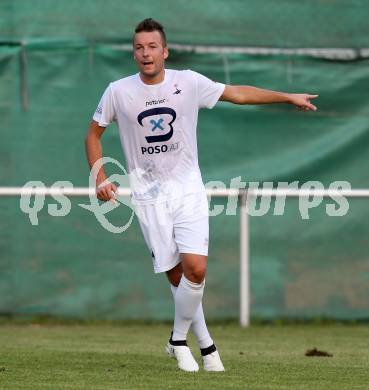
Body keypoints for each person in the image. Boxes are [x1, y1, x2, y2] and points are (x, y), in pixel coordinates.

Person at [85, 18, 318, 372]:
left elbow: (236, 93)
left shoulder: (188, 82)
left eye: (152, 47)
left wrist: (286, 97)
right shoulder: (118, 91)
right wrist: (100, 177)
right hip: (149, 196)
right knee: (178, 278)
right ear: (133, 53)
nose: (145, 53)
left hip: (188, 189)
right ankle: (207, 346)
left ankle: (178, 340)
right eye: (139, 47)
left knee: (196, 268)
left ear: (165, 51)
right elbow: (93, 136)